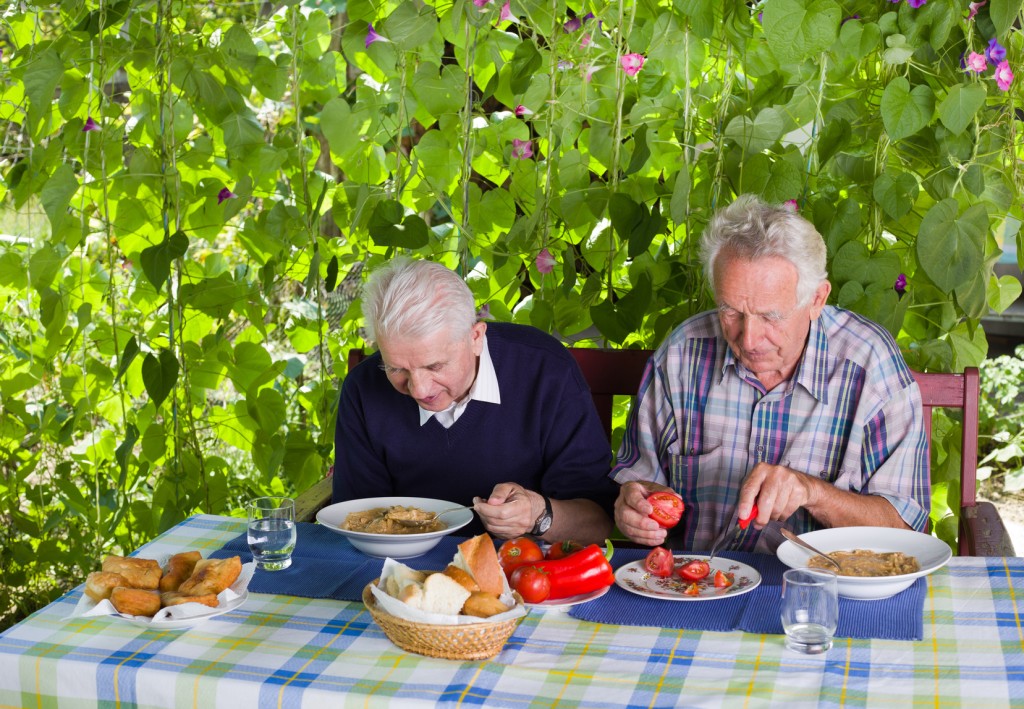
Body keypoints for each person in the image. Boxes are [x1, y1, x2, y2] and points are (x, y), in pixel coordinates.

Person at [612, 194, 929, 552]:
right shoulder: (683, 352)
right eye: (730, 311)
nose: (748, 339)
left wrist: (812, 492)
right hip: (700, 588)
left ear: (817, 300)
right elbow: (641, 483)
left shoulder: (870, 365)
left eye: (771, 316)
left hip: (822, 588)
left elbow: (904, 529)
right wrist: (634, 506)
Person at [333, 257, 617, 543]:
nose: (418, 390)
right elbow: (357, 521)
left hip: (525, 568)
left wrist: (538, 515)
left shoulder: (546, 371)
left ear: (476, 337)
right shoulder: (363, 390)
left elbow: (598, 523)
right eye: (396, 368)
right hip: (400, 570)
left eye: (434, 367)